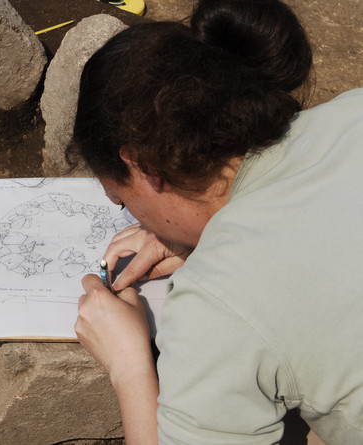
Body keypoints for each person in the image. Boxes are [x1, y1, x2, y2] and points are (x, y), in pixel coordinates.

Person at [70, 0, 363, 443]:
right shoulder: (353, 109)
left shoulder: (218, 303)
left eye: (119, 197)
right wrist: (195, 232)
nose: (127, 210)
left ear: (145, 168)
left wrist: (128, 365)